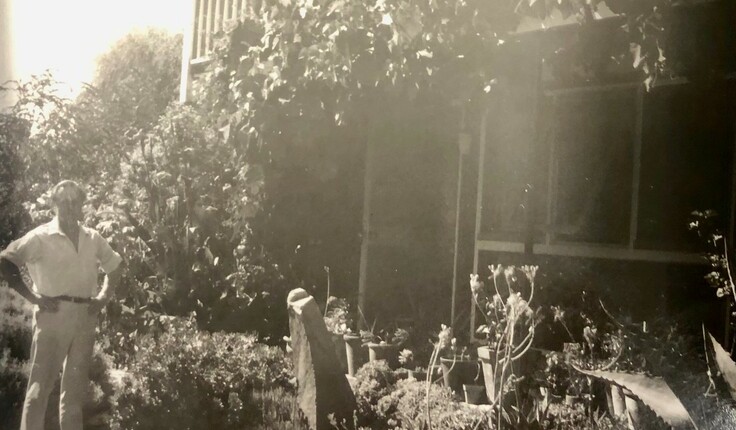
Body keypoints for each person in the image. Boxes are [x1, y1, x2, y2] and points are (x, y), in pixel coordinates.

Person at [0, 180, 122, 430]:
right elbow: (6, 261)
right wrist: (33, 297)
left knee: (74, 395)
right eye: (64, 201)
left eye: (75, 201)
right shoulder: (40, 236)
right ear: (54, 204)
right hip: (53, 315)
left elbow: (115, 267)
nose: (69, 206)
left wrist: (103, 297)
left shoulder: (92, 237)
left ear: (81, 205)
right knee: (39, 389)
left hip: (85, 316)